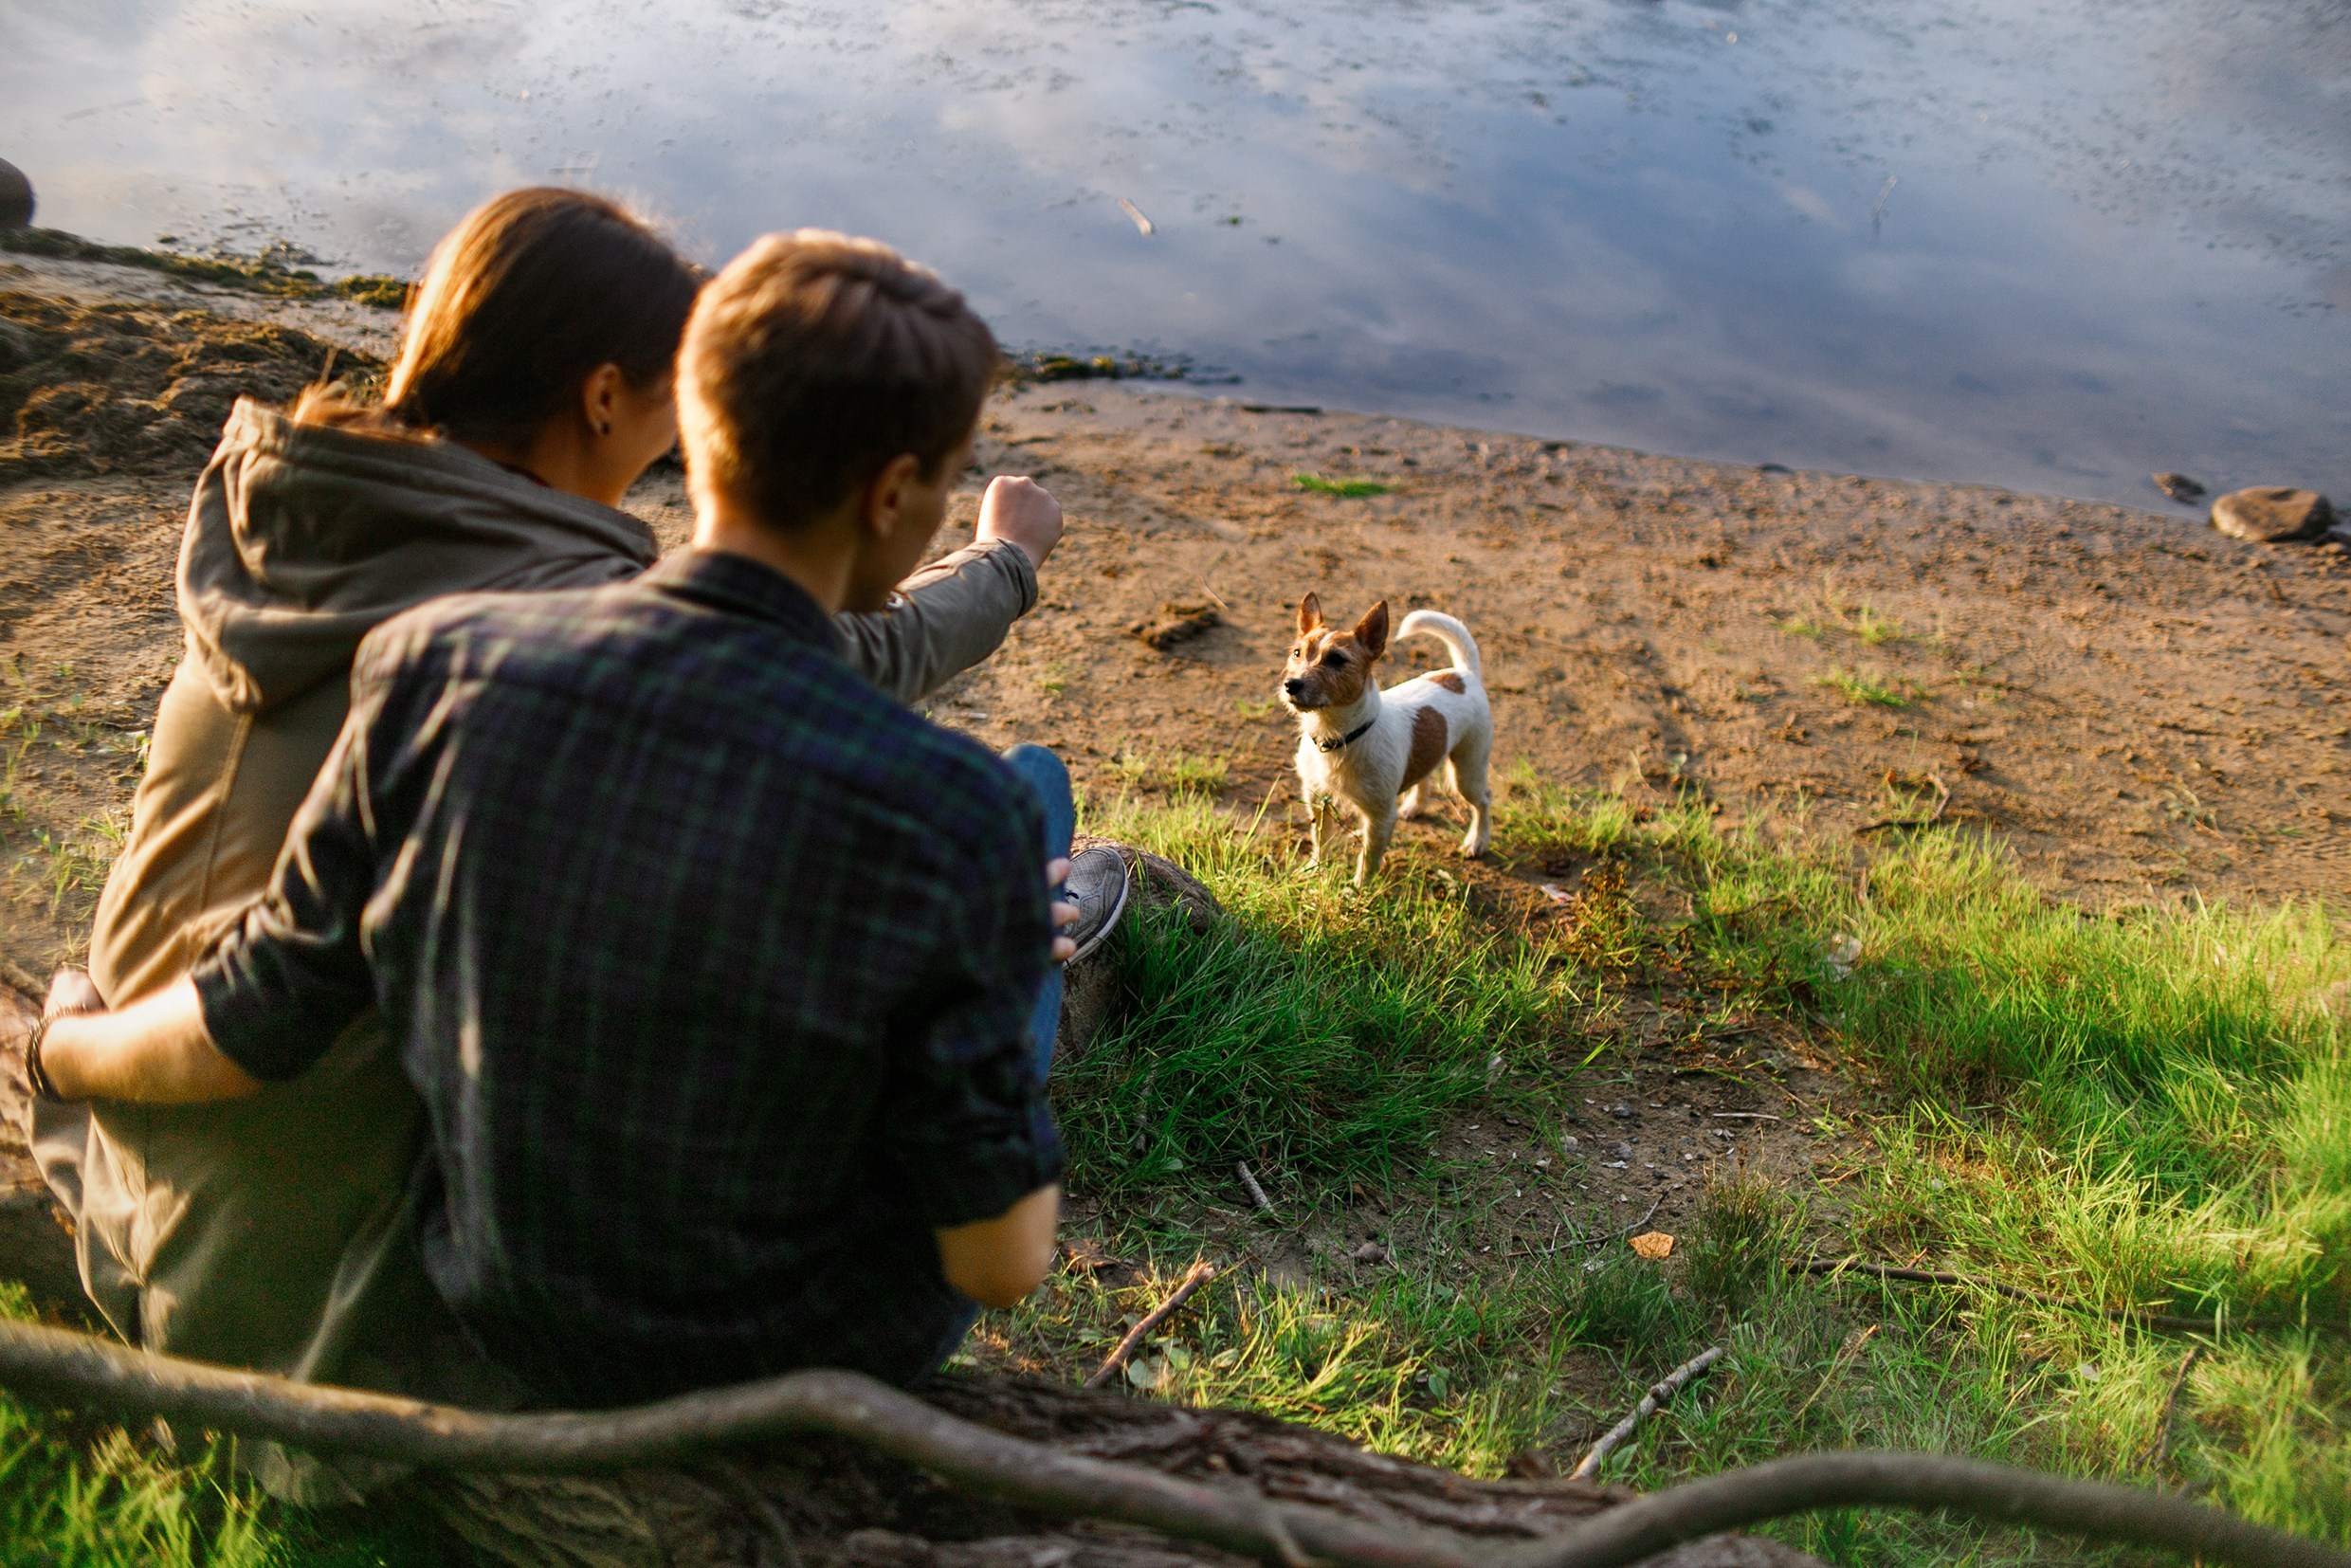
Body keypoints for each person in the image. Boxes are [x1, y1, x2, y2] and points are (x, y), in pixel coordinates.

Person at [25, 189, 1074, 1407]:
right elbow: (839, 657)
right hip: (331, 1273)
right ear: (603, 398)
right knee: (1014, 828)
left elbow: (261, 1002)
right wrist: (1004, 564)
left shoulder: (315, 540)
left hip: (149, 1158)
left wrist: (62, 1050)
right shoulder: (537, 614)